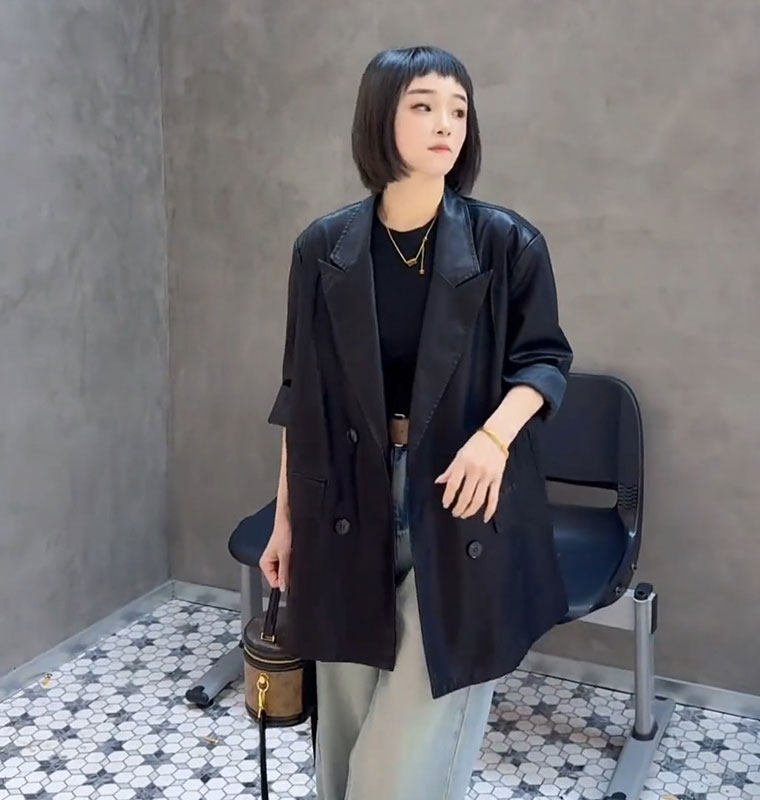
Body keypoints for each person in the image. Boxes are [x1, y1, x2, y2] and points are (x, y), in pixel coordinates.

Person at [260, 45, 573, 800]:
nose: (446, 125)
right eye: (424, 106)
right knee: (339, 747)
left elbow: (544, 363)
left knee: (398, 768)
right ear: (380, 116)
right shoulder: (322, 247)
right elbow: (300, 395)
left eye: (458, 110)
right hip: (343, 501)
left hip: (461, 503)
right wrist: (285, 521)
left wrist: (494, 439)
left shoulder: (507, 243)